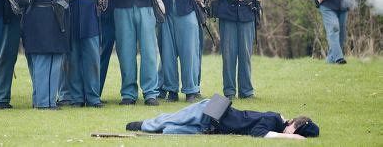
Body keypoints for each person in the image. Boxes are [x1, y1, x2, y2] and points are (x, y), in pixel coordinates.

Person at [112, 0, 175, 106]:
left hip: (145, 4)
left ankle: (150, 93)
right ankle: (128, 93)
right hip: (122, 4)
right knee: (125, 52)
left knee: (149, 51)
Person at [125, 96, 319, 140]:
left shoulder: (276, 123)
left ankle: (148, 128)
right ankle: (141, 124)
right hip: (214, 111)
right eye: (296, 131)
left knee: (170, 131)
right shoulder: (273, 120)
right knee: (171, 120)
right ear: (293, 126)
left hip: (213, 124)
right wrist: (288, 137)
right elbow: (258, 133)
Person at [22, 0, 70, 109]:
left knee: (55, 59)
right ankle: (43, 102)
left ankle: (48, 101)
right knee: (43, 61)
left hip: (52, 16)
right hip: (41, 17)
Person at [209, 0, 265, 100]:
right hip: (227, 11)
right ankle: (229, 92)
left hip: (247, 11)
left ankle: (246, 91)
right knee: (228, 55)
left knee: (245, 54)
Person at [155, 0, 202, 102]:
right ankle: (171, 90)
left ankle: (191, 90)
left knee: (189, 53)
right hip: (166, 8)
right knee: (167, 54)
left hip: (186, 6)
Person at [308, 0, 349, 64]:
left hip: (343, 5)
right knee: (334, 29)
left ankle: (330, 60)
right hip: (327, 5)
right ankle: (339, 58)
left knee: (342, 34)